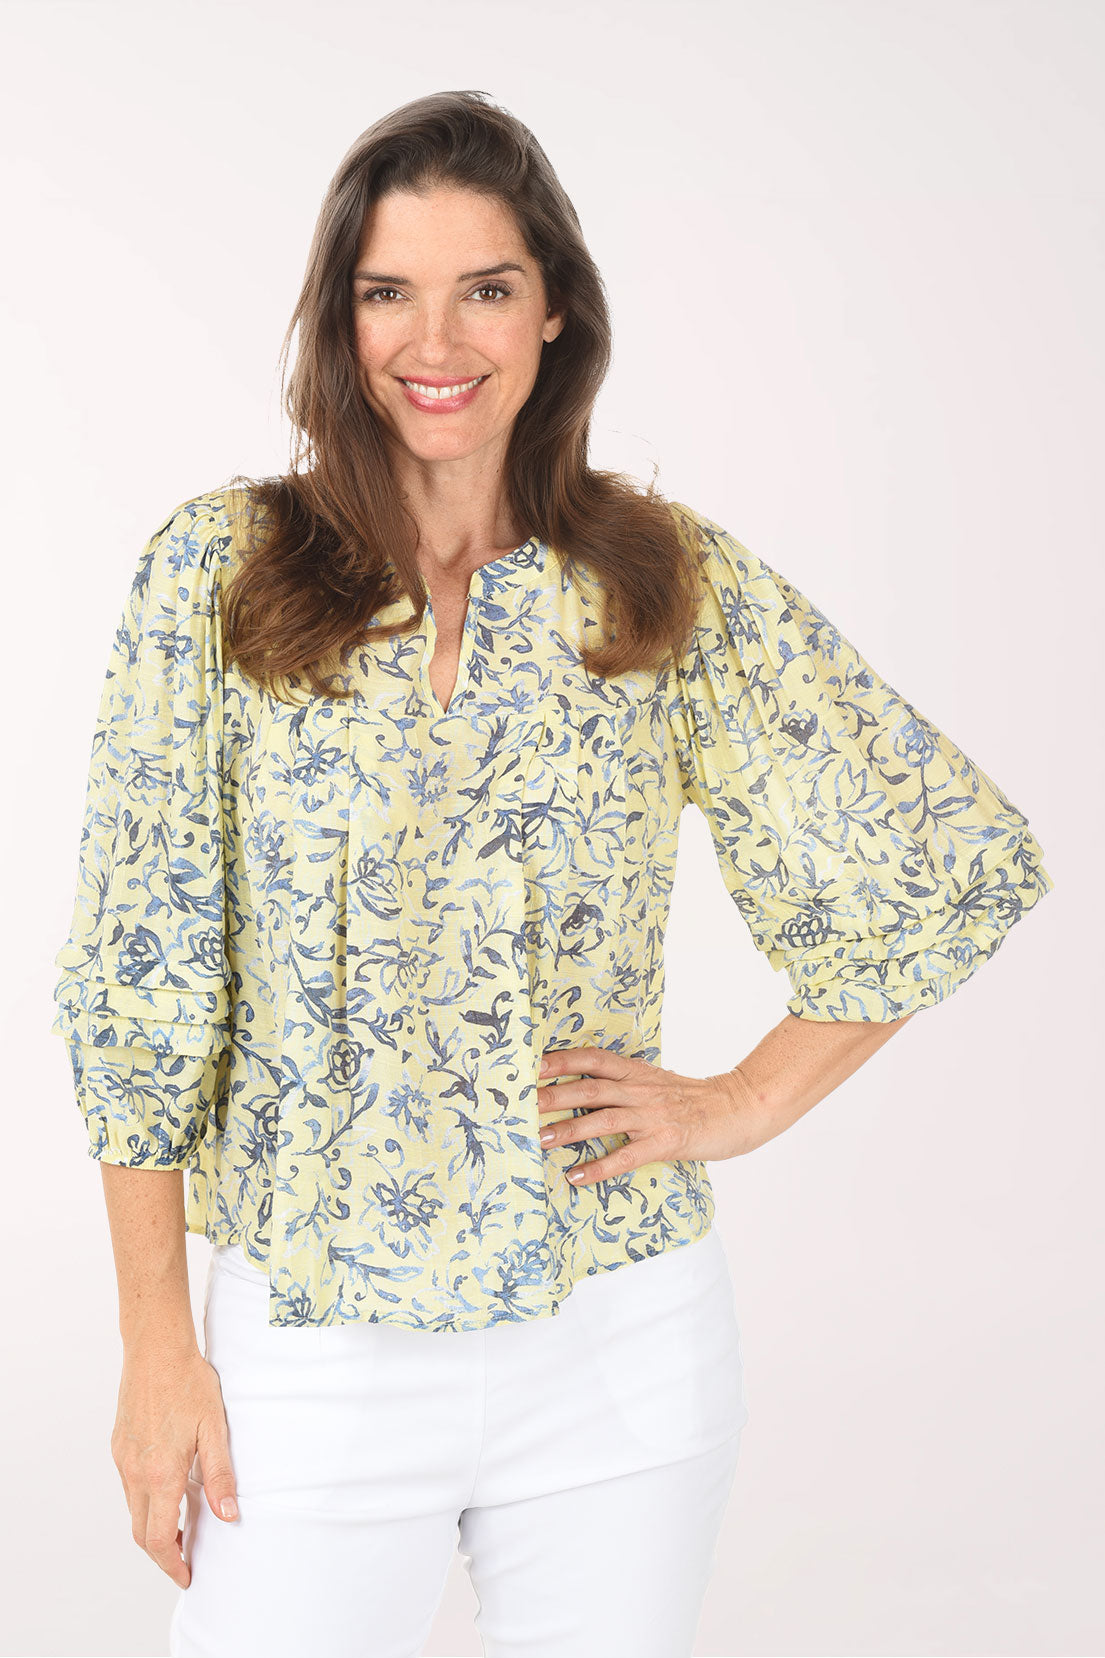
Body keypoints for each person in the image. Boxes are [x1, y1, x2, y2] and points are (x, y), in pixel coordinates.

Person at [50, 90, 1053, 1658]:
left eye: (484, 287)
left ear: (554, 311)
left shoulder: (657, 580)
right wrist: (154, 1347)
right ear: (338, 315)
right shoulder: (220, 575)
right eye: (387, 290)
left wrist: (738, 1101)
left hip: (615, 1342)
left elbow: (937, 864)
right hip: (311, 1347)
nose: (431, 337)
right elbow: (137, 980)